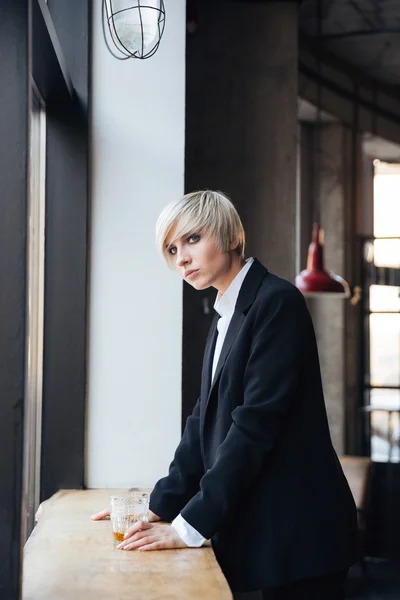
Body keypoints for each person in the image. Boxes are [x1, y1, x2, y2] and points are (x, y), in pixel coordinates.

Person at [92, 190, 359, 599]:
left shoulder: (276, 302)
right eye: (172, 248)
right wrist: (160, 505)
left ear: (232, 235)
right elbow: (204, 419)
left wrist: (189, 526)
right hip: (264, 532)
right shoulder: (224, 315)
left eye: (193, 239)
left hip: (299, 534)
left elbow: (254, 426)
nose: (181, 258)